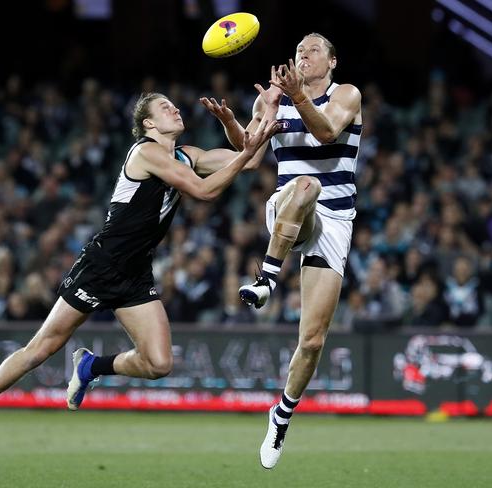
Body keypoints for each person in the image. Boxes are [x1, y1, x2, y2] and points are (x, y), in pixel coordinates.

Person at [0, 92, 279, 460]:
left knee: (158, 363)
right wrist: (245, 146)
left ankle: (90, 366)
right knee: (41, 349)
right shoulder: (145, 152)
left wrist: (253, 113)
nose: (174, 109)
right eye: (165, 107)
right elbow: (204, 189)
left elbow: (251, 160)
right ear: (148, 124)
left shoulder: (187, 154)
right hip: (101, 265)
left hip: (135, 272)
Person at [203, 33, 362, 469]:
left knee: (311, 340)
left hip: (335, 220)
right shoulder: (273, 98)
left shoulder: (346, 94)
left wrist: (294, 97)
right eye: (298, 51)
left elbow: (328, 130)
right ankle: (268, 278)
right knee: (306, 185)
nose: (303, 56)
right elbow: (248, 156)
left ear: (332, 60)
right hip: (289, 204)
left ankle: (282, 413)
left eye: (312, 50)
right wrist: (232, 123)